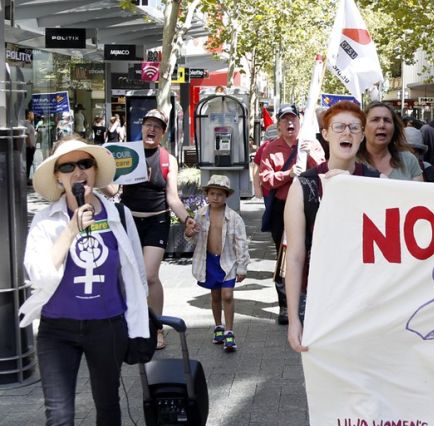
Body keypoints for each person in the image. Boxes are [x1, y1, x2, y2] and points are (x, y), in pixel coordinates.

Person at [19, 137, 148, 426]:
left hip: (106, 325)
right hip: (57, 331)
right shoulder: (45, 222)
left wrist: (141, 328)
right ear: (57, 178)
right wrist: (72, 229)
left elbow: (134, 276)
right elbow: (39, 274)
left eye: (84, 165)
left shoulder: (118, 215)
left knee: (107, 399)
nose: (78, 173)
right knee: (57, 414)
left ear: (95, 172)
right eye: (68, 167)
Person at [283, 101, 382, 426]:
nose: (347, 133)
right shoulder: (304, 186)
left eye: (354, 127)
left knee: (363, 387)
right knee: (326, 380)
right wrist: (293, 316)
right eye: (339, 126)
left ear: (362, 137)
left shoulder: (377, 182)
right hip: (319, 299)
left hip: (363, 301)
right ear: (325, 134)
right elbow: (296, 256)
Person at [114, 109, 196, 350]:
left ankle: (156, 328)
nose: (151, 129)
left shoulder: (167, 159)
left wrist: (186, 219)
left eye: (157, 127)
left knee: (149, 276)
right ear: (142, 127)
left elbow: (173, 198)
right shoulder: (127, 153)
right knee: (127, 276)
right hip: (128, 221)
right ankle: (130, 325)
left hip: (156, 221)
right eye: (148, 124)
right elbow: (111, 189)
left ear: (163, 133)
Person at [260, 104, 323, 325]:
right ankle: (285, 306)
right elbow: (265, 179)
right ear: (278, 124)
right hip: (281, 207)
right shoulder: (270, 148)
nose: (289, 123)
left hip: (308, 206)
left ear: (300, 122)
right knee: (283, 256)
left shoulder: (310, 144)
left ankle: (310, 301)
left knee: (311, 252)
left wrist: (313, 154)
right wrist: (287, 174)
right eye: (285, 120)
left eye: (293, 119)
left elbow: (325, 170)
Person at [184, 175, 249, 352]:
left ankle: (229, 331)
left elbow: (241, 242)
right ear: (207, 194)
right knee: (215, 296)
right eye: (212, 193)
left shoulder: (234, 218)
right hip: (209, 261)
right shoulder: (201, 214)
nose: (215, 197)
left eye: (220, 194)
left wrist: (242, 266)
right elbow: (194, 239)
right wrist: (189, 233)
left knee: (227, 295)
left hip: (228, 262)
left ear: (226, 196)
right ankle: (218, 326)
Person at [358, 101, 423, 180]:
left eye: (387, 120)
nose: (382, 125)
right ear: (363, 128)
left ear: (394, 128)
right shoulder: (351, 160)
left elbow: (418, 192)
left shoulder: (409, 161)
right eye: (375, 120)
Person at [24, 109, 37, 185]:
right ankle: (26, 179)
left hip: (30, 147)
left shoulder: (29, 124)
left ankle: (27, 178)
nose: (33, 115)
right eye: (32, 114)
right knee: (28, 163)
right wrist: (30, 145)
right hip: (29, 147)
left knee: (29, 163)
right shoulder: (27, 123)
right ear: (28, 114)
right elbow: (27, 135)